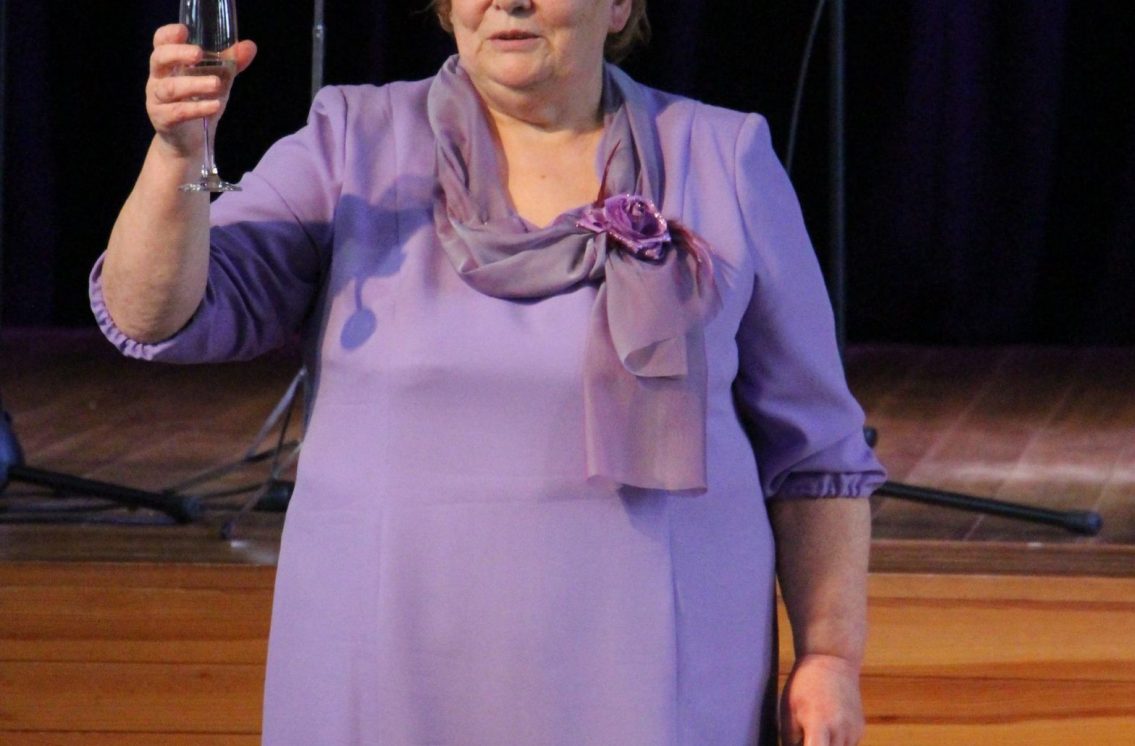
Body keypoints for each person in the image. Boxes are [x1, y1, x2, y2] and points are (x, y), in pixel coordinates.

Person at [95, 0, 886, 743]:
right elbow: (153, 314)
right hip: (386, 669)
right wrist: (177, 156)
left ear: (619, 7)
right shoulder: (351, 144)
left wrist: (829, 656)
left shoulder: (719, 156)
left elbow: (816, 452)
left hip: (654, 677)